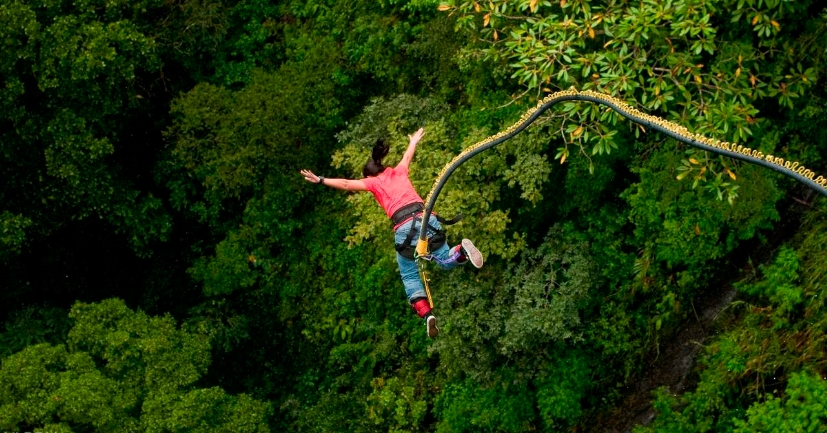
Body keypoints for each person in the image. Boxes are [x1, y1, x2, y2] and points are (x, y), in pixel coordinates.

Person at [300, 127, 483, 338]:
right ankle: (462, 251)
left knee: (409, 275)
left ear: (369, 175)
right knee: (444, 257)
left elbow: (346, 183)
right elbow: (407, 156)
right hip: (426, 219)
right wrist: (413, 141)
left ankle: (427, 315)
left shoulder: (373, 182)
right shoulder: (398, 171)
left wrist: (320, 179)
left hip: (404, 228)